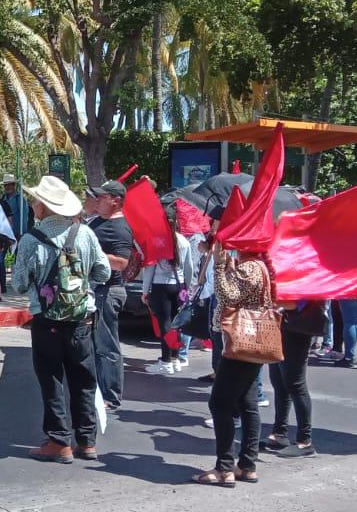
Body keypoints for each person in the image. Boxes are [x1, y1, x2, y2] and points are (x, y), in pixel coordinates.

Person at [11, 176, 111, 463]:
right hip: (82, 318)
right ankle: (87, 441)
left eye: (35, 200)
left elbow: (19, 284)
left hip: (47, 320)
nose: (33, 204)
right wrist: (80, 284)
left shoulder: (31, 239)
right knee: (84, 379)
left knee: (51, 378)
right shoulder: (85, 233)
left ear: (43, 207)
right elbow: (103, 272)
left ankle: (59, 441)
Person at [196, 249, 274, 487]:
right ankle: (247, 465)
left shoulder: (250, 267)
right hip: (252, 340)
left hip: (241, 340)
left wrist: (219, 266)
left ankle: (224, 468)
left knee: (220, 404)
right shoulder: (255, 265)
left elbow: (228, 296)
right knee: (247, 403)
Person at [85, 180, 134, 410]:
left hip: (108, 291)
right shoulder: (97, 220)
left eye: (103, 197)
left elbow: (122, 263)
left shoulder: (120, 228)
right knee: (95, 345)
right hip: (95, 289)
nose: (98, 201)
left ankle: (111, 396)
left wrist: (94, 253)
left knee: (107, 346)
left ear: (116, 201)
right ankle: (98, 390)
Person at [141, 206, 198, 374]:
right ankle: (175, 358)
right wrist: (187, 288)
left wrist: (145, 290)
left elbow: (150, 268)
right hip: (179, 286)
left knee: (164, 324)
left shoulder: (157, 241)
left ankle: (165, 361)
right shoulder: (184, 241)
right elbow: (189, 268)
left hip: (161, 286)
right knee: (176, 324)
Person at [267, 298, 326, 457]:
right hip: (280, 326)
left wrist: (270, 301)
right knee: (279, 382)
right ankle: (279, 434)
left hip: (297, 329)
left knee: (295, 384)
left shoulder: (306, 284)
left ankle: (304, 441)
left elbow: (296, 303)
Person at [0, 174, 33, 239]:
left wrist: (22, 233)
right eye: (6, 185)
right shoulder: (3, 198)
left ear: (14, 185)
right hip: (6, 234)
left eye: (10, 184)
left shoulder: (20, 199)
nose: (7, 187)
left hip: (17, 234)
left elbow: (24, 217)